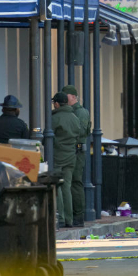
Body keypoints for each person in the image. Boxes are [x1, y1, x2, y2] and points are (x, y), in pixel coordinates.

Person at [61, 85, 91, 227]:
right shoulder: (70, 112)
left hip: (77, 151)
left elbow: (81, 132)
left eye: (66, 95)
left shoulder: (81, 112)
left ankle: (78, 215)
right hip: (70, 150)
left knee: (75, 182)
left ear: (73, 97)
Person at [51, 92, 82, 229]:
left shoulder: (54, 118)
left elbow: (49, 135)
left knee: (56, 186)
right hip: (71, 156)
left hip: (57, 155)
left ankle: (61, 218)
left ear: (57, 104)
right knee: (67, 187)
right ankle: (69, 219)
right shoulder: (75, 117)